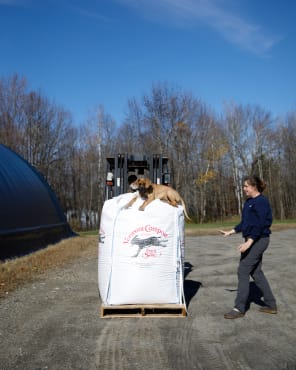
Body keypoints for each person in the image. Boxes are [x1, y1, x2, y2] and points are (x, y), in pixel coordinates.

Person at [219, 175, 277, 319]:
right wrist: (230, 232)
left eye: (246, 186)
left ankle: (239, 308)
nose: (243, 188)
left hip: (259, 240)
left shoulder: (261, 202)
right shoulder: (249, 202)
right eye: (243, 186)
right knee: (256, 272)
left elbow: (259, 225)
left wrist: (249, 242)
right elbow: (245, 223)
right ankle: (271, 304)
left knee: (243, 270)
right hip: (252, 240)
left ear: (253, 186)